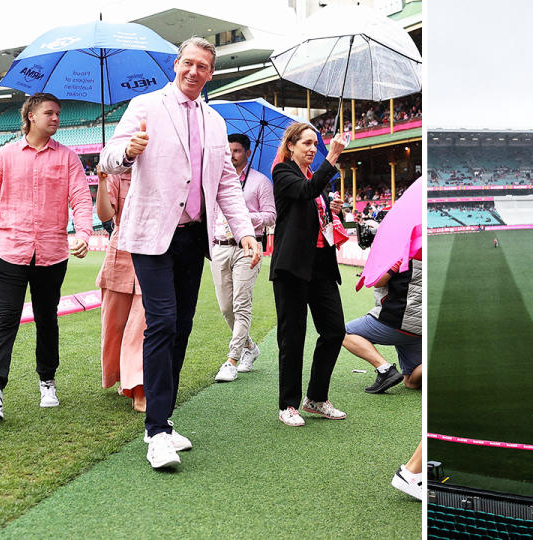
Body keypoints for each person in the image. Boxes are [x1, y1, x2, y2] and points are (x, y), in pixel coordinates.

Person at [99, 37, 260, 469]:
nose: (194, 71)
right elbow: (108, 154)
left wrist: (245, 231)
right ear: (176, 64)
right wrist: (128, 153)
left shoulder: (214, 121)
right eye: (188, 63)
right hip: (152, 234)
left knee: (183, 326)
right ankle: (154, 432)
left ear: (210, 73)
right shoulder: (147, 105)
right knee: (163, 321)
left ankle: (165, 420)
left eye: (202, 66)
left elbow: (226, 181)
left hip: (193, 238)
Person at [0, 93, 92, 422]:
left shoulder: (69, 158)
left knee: (47, 319)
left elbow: (80, 199)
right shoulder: (4, 156)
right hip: (8, 252)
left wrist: (85, 233)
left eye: (59, 113)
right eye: (49, 112)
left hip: (52, 254)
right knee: (6, 319)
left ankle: (47, 381)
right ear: (30, 116)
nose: (56, 118)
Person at [269, 123, 347, 427]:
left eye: (316, 144)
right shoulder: (282, 172)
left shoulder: (318, 180)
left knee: (334, 330)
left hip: (321, 264)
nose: (313, 149)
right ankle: (288, 404)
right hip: (292, 266)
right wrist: (334, 156)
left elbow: (317, 205)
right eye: (307, 143)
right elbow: (305, 192)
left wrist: (334, 207)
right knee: (292, 336)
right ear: (291, 146)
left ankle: (315, 398)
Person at [211, 133, 276, 382]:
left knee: (241, 303)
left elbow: (271, 215)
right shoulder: (218, 180)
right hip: (220, 247)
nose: (231, 155)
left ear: (247, 153)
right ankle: (250, 347)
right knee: (226, 307)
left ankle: (232, 360)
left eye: (237, 151)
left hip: (247, 247)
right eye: (228, 151)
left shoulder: (260, 182)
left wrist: (247, 218)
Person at [95, 171, 146, 413]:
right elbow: (105, 215)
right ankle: (122, 376)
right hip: (120, 253)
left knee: (142, 326)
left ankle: (139, 386)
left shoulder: (161, 170)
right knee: (114, 326)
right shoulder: (117, 175)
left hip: (151, 253)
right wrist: (102, 181)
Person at [342, 258, 422, 393]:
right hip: (420, 326)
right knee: (410, 382)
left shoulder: (401, 253)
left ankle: (385, 370)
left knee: (341, 332)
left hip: (397, 320)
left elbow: (377, 282)